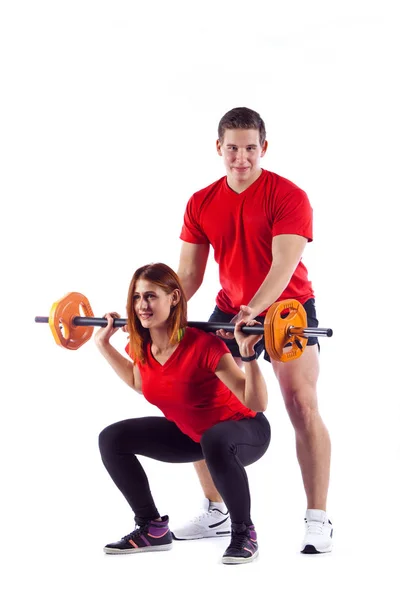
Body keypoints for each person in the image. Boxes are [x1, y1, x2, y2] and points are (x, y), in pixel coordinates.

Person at [176, 106, 333, 554]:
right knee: (198, 400)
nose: (240, 158)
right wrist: (155, 312)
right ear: (218, 148)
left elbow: (283, 266)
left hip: (288, 309)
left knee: (301, 404)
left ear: (263, 148)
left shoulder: (288, 196)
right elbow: (187, 277)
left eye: (250, 148)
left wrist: (256, 311)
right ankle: (216, 511)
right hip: (230, 309)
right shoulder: (201, 201)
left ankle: (318, 519)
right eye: (232, 149)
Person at [96, 262, 271, 565]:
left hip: (244, 430)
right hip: (195, 435)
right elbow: (140, 383)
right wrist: (103, 345)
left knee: (215, 438)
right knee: (113, 438)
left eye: (150, 296)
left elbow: (256, 402)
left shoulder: (205, 345)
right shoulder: (144, 346)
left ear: (174, 298)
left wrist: (247, 354)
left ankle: (244, 533)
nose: (141, 306)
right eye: (136, 297)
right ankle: (151, 528)